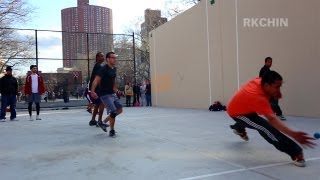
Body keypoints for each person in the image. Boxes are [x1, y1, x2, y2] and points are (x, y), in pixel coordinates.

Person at [227, 70, 316, 167]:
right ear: (266, 85)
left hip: (245, 106)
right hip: (237, 113)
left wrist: (276, 93)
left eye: (280, 87)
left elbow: (266, 95)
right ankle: (295, 152)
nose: (279, 90)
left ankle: (238, 128)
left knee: (254, 120)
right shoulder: (258, 97)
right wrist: (294, 134)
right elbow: (272, 120)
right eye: (277, 87)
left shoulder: (260, 81)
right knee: (265, 128)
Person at [90, 51, 123, 137]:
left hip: (112, 93)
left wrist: (116, 90)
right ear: (108, 59)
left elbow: (113, 81)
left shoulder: (114, 69)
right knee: (113, 111)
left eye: (115, 57)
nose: (115, 59)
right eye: (113, 58)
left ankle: (103, 122)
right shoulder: (103, 69)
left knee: (119, 110)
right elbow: (96, 80)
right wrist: (92, 91)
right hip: (105, 94)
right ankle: (112, 130)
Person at [88, 52, 105, 127]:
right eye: (101, 56)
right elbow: (97, 79)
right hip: (98, 89)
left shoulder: (97, 66)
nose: (103, 57)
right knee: (102, 103)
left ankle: (93, 120)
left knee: (98, 104)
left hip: (96, 89)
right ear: (97, 58)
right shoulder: (98, 66)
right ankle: (99, 121)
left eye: (103, 56)